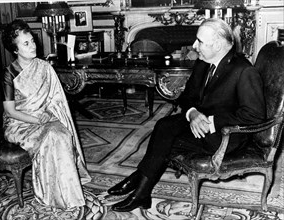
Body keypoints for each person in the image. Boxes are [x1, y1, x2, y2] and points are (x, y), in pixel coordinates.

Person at [107, 18, 266, 212]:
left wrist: (211, 121)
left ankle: (140, 186)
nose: (194, 46)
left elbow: (255, 116)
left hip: (225, 134)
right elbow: (186, 97)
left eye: (199, 41)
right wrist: (193, 113)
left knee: (165, 142)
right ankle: (141, 188)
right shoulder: (204, 62)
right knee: (163, 126)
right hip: (200, 121)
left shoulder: (244, 71)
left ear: (216, 44)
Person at [1, 19, 91, 210]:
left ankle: (67, 192)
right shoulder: (9, 74)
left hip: (45, 117)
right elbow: (10, 111)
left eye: (32, 40)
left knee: (62, 134)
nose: (33, 45)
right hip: (21, 124)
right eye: (26, 43)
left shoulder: (44, 67)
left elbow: (56, 99)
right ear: (15, 49)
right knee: (51, 136)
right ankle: (51, 195)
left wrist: (48, 113)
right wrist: (37, 119)